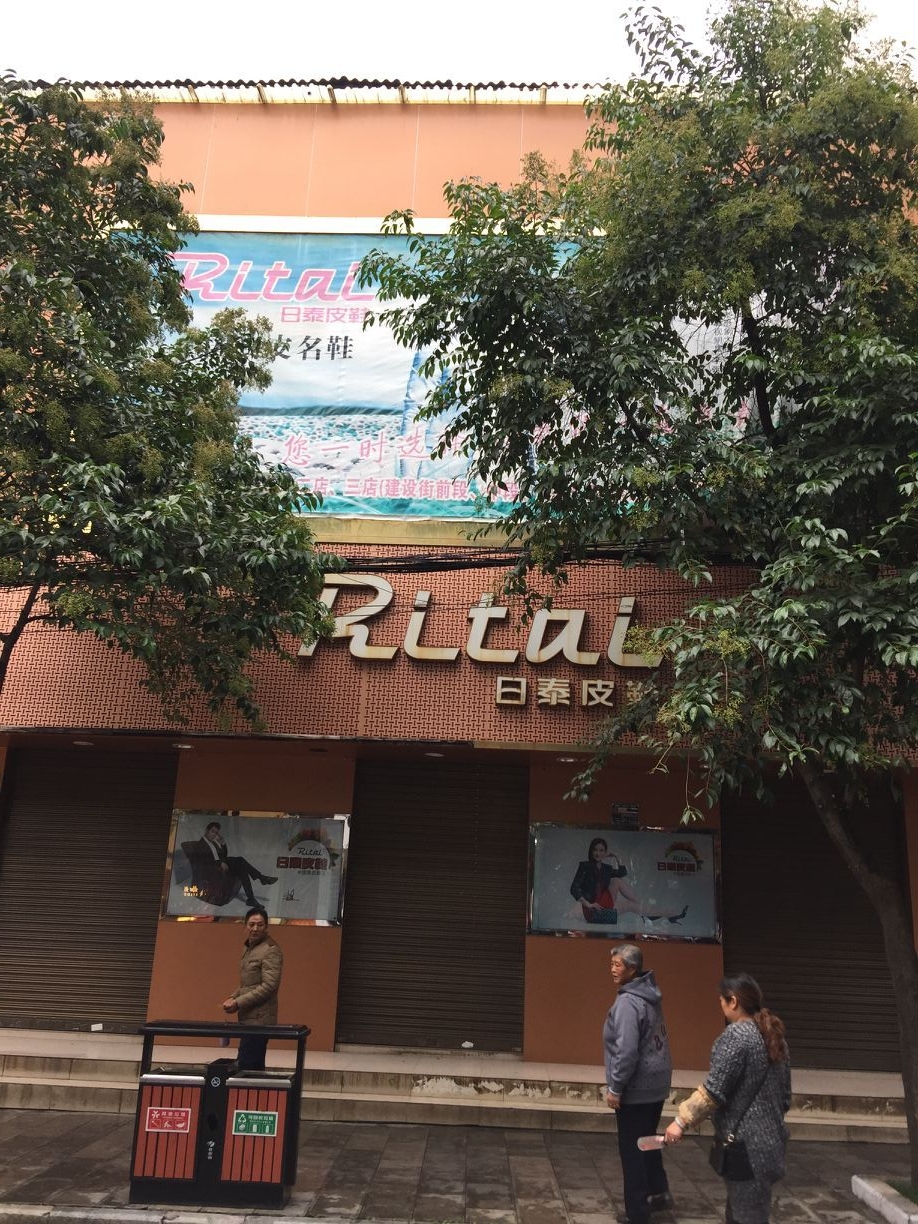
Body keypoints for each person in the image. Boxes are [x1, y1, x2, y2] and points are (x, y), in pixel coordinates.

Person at [663, 974, 791, 1224]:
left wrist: (680, 1122)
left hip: (745, 1148)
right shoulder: (775, 1037)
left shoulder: (736, 1037)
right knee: (746, 1212)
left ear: (733, 1001)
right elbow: (786, 1096)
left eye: (722, 1000)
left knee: (746, 1217)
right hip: (772, 1143)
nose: (720, 1005)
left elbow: (713, 1090)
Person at [604, 943, 675, 1224]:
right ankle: (658, 1192)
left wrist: (616, 1087)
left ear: (632, 969)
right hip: (657, 1083)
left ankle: (637, 1212)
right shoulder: (650, 995)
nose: (612, 969)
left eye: (617, 965)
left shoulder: (628, 1003)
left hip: (636, 1086)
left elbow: (627, 1051)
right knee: (647, 1141)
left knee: (631, 1149)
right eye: (611, 964)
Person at [222, 906, 283, 1070]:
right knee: (252, 1066)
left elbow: (269, 986)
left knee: (247, 1065)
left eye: (260, 925)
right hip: (248, 1017)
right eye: (252, 924)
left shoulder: (270, 950)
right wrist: (233, 997)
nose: (255, 928)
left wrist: (238, 1002)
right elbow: (248, 984)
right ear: (245, 927)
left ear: (266, 927)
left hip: (260, 1019)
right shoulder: (249, 947)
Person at [571, 838, 687, 925]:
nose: (598, 853)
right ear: (591, 851)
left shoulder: (606, 868)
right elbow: (574, 888)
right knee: (630, 904)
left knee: (616, 880)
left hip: (604, 900)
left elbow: (622, 873)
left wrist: (617, 858)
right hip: (593, 907)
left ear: (605, 853)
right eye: (595, 850)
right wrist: (588, 904)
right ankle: (654, 911)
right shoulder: (585, 866)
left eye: (601, 850)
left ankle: (646, 909)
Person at [188, 821, 277, 908]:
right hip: (215, 870)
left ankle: (251, 898)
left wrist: (223, 843)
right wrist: (219, 863)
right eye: (212, 831)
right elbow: (204, 862)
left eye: (216, 833)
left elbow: (223, 855)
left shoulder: (213, 843)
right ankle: (261, 879)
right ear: (206, 830)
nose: (214, 835)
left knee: (242, 868)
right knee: (240, 861)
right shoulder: (200, 845)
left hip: (223, 864)